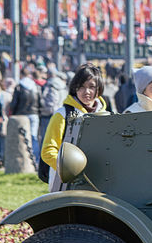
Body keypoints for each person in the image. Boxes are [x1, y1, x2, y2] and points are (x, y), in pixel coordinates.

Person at [41, 63, 110, 192]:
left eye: (92, 87)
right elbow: (48, 151)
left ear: (99, 89)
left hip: (97, 181)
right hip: (65, 182)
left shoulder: (106, 115)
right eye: (82, 87)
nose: (87, 92)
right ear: (75, 88)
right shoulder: (62, 114)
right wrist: (69, 169)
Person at [6, 68, 42, 158]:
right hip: (34, 113)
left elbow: (14, 103)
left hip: (21, 114)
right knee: (33, 137)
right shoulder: (35, 86)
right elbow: (40, 101)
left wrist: (12, 114)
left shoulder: (19, 87)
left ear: (21, 75)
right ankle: (35, 158)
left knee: (22, 137)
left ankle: (24, 157)